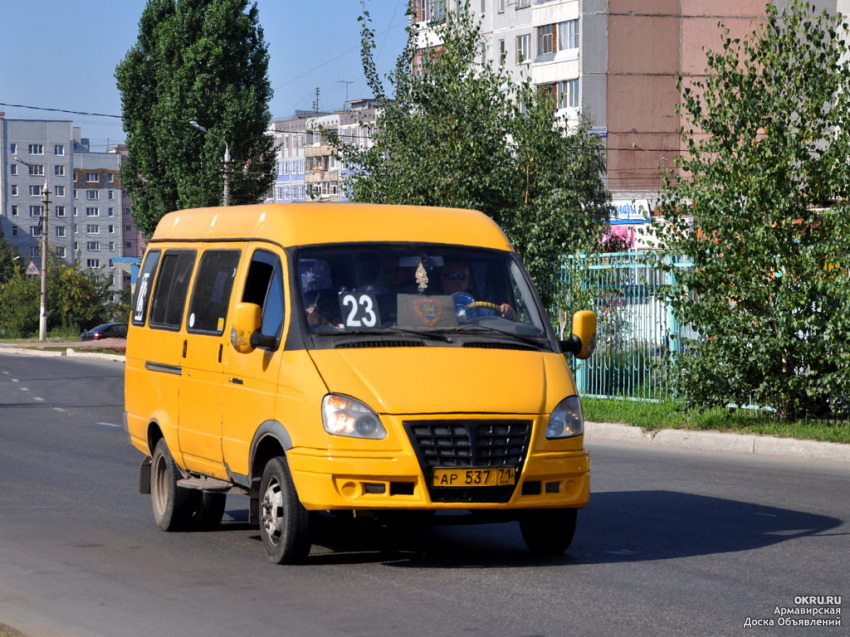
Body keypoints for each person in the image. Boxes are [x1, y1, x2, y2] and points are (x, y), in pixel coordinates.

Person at [441, 259, 516, 320]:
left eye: (462, 277)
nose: (457, 281)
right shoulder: (432, 305)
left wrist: (507, 311)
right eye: (452, 276)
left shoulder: (478, 308)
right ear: (443, 279)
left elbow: (506, 322)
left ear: (467, 281)